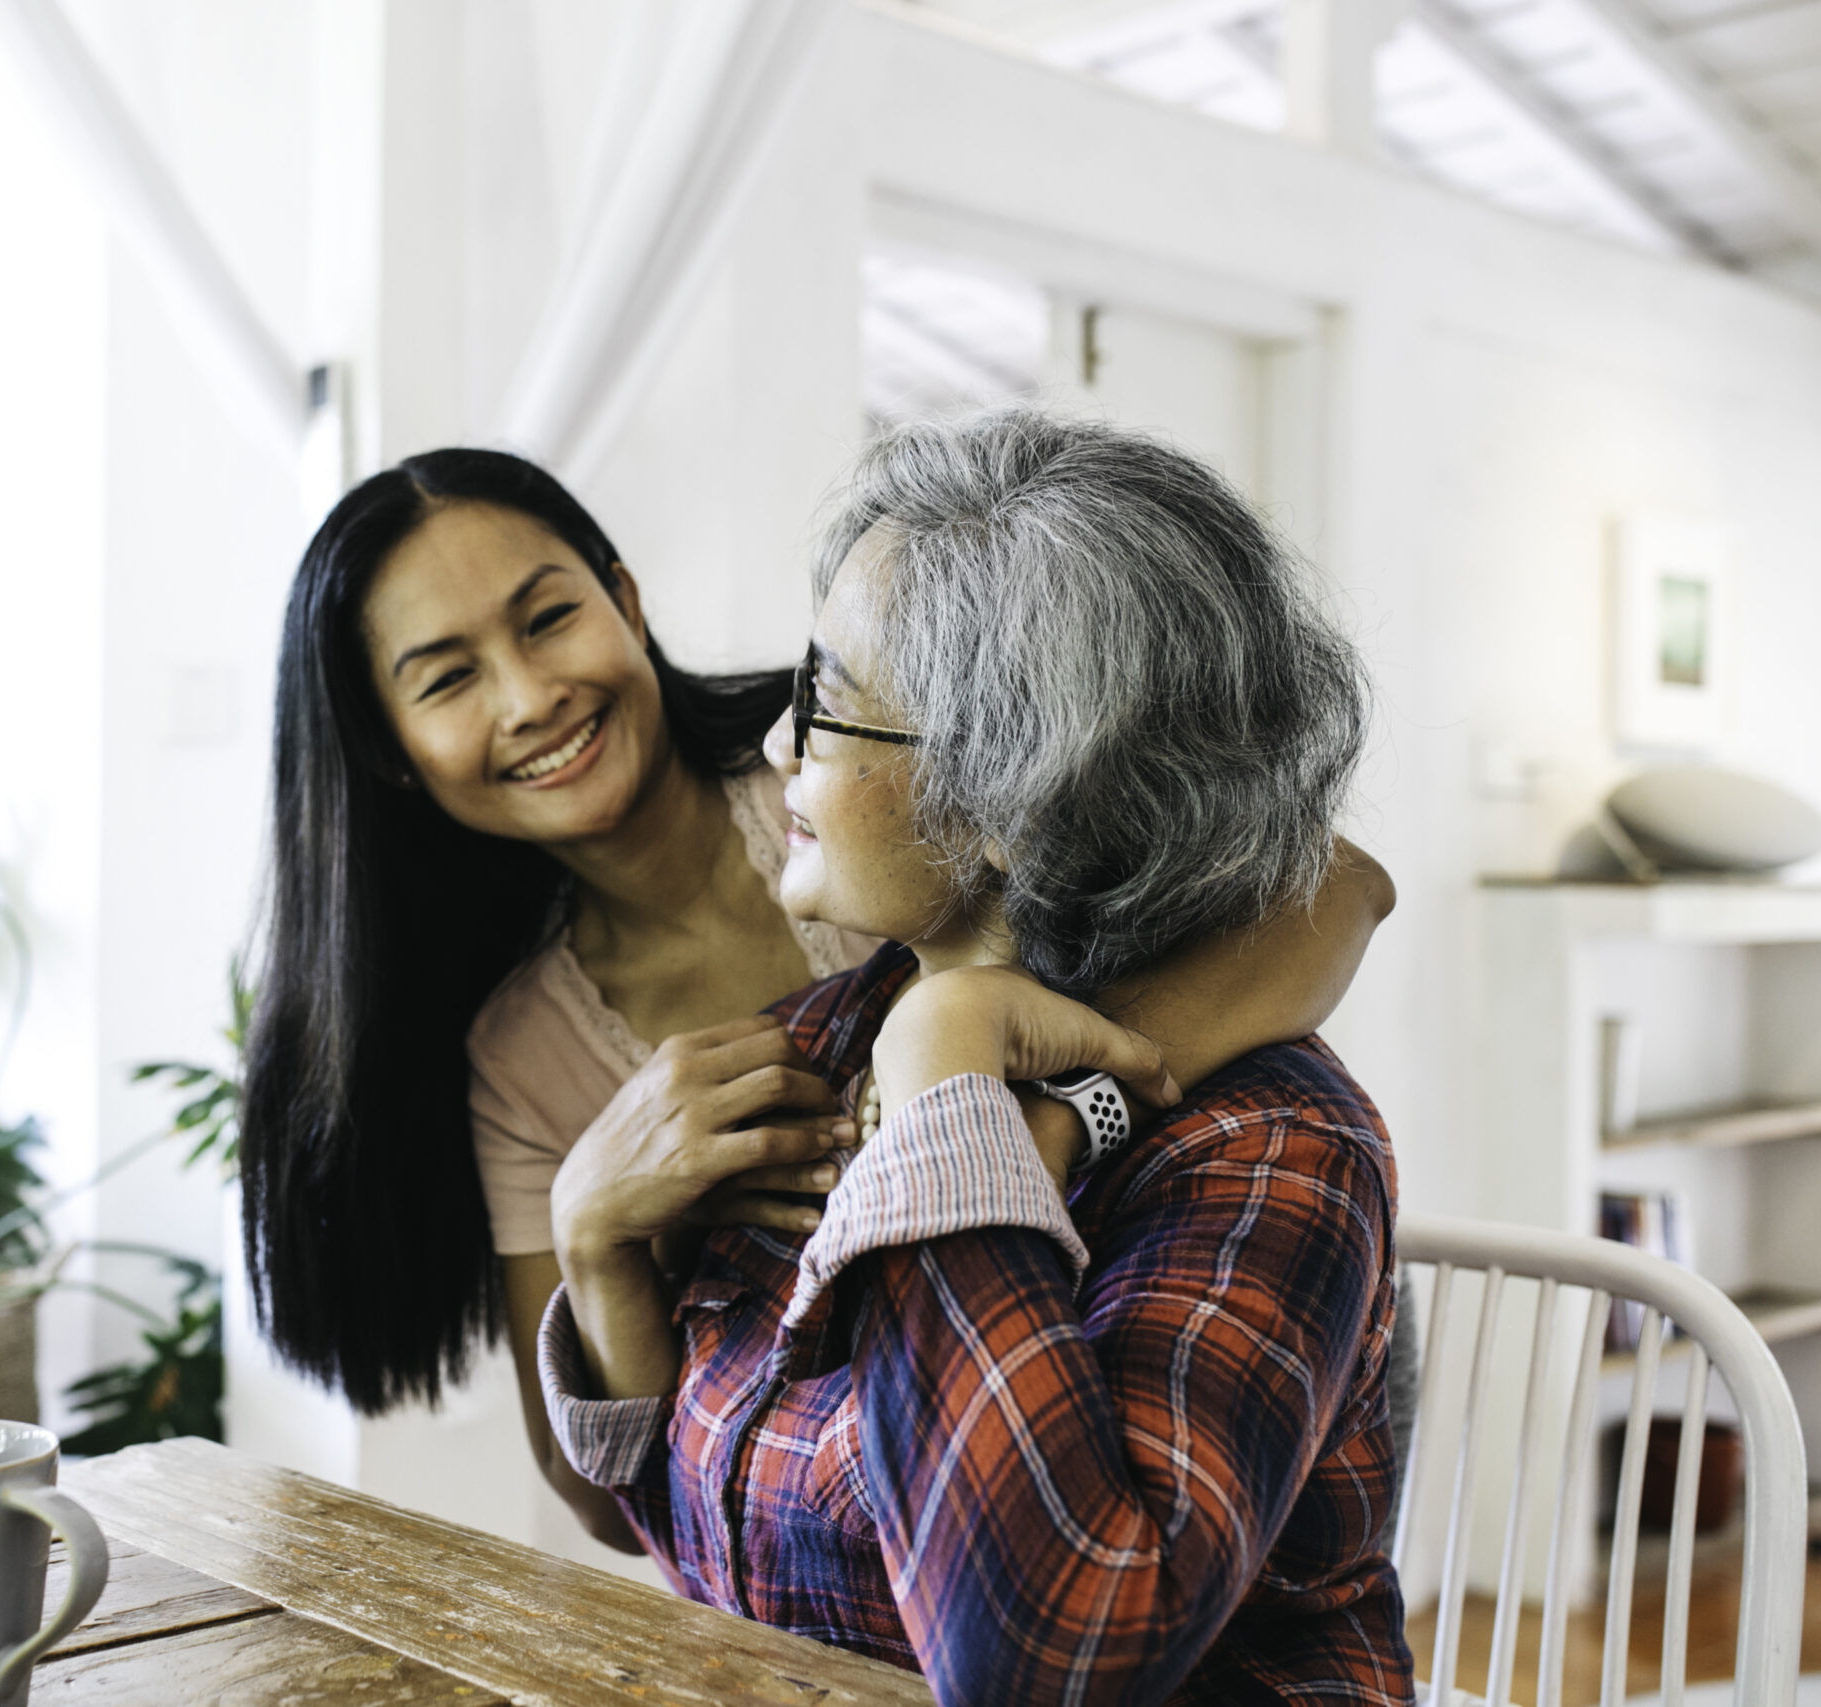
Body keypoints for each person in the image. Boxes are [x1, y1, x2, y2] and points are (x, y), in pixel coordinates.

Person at [238, 446, 1395, 1549]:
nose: (531, 694)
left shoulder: (857, 800)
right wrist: (592, 1233)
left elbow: (1333, 884)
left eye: (549, 619)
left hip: (1172, 1382)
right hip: (835, 1549)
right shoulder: (516, 1052)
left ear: (624, 600)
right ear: (389, 748)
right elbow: (616, 1511)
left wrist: (1049, 1106)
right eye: (447, 677)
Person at [540, 408, 1410, 1703]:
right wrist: (599, 1256)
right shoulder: (830, 1043)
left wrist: (950, 1085)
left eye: (825, 704)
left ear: (1015, 792)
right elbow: (723, 1545)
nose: (779, 746)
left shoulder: (1266, 1149)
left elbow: (1050, 1653)